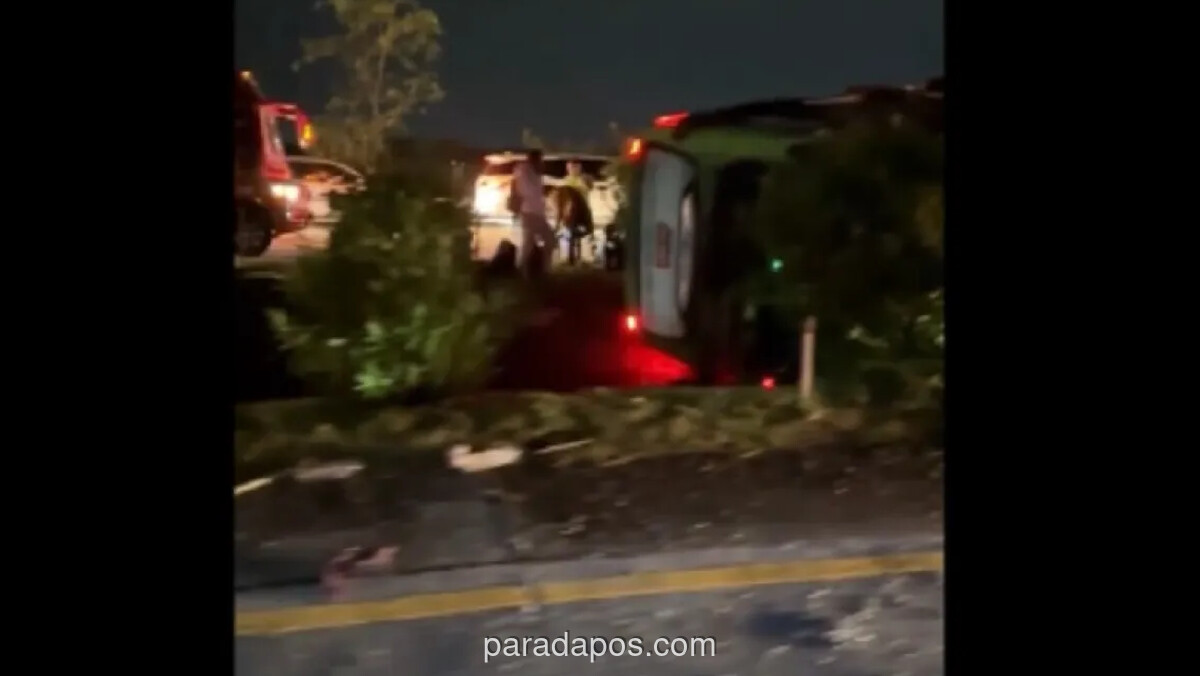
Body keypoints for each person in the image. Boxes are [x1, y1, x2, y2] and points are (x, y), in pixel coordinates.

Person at [509, 149, 554, 277]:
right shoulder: (524, 172)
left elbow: (537, 193)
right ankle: (522, 272)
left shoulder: (535, 174)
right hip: (528, 212)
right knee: (527, 245)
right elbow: (528, 191)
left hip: (537, 213)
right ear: (534, 160)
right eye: (540, 160)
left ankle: (544, 270)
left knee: (549, 240)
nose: (542, 163)